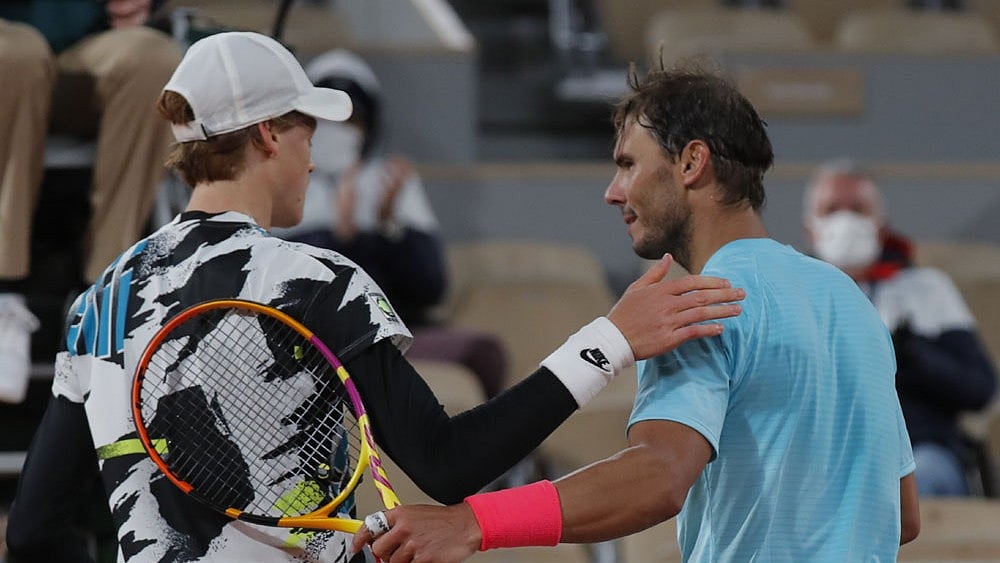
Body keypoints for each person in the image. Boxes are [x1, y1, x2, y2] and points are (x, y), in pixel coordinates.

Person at [4, 32, 747, 563]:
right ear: (267, 134)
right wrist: (608, 340)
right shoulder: (314, 281)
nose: (315, 152)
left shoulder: (97, 301)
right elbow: (450, 463)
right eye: (306, 130)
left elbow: (36, 527)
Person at [352, 63, 921, 562]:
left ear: (692, 162)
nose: (613, 191)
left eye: (628, 164)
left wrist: (471, 522)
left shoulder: (695, 305)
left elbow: (660, 475)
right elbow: (903, 513)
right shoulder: (851, 301)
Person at [273, 49, 509, 399]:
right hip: (317, 339)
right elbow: (280, 282)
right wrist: (339, 237)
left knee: (484, 352)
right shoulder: (283, 179)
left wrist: (388, 229)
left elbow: (431, 286)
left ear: (370, 126)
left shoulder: (390, 180)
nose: (340, 133)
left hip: (398, 330)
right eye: (328, 121)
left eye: (351, 123)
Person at [0, 0, 181, 404]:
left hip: (85, 55)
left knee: (153, 57)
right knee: (16, 52)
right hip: (11, 51)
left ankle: (100, 305)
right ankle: (4, 297)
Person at [804, 159, 998, 496]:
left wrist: (915, 355)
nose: (845, 220)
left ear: (881, 225)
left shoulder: (927, 289)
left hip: (915, 449)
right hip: (818, 454)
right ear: (811, 228)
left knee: (921, 478)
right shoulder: (791, 294)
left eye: (858, 209)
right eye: (832, 209)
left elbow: (980, 389)